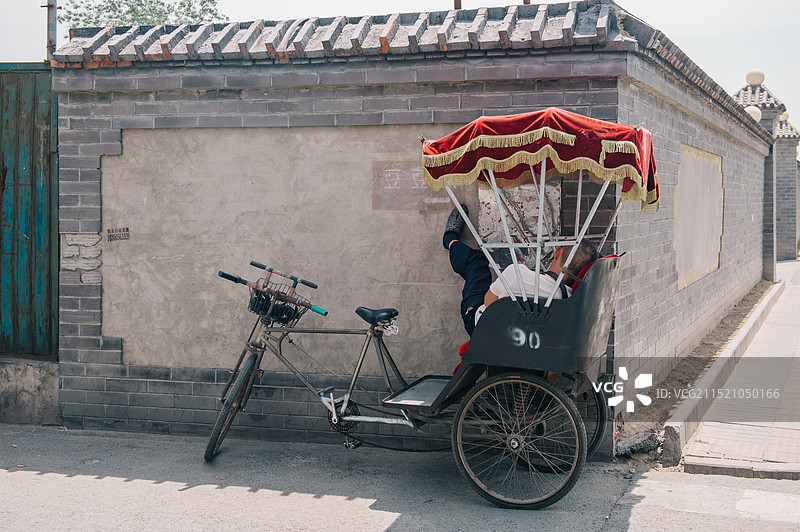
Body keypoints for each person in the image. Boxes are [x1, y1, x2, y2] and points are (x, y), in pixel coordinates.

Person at [443, 205, 598, 337]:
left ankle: (450, 239)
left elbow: (487, 301)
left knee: (477, 265)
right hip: (528, 339)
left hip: (485, 330)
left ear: (557, 252)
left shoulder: (517, 274)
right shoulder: (573, 300)